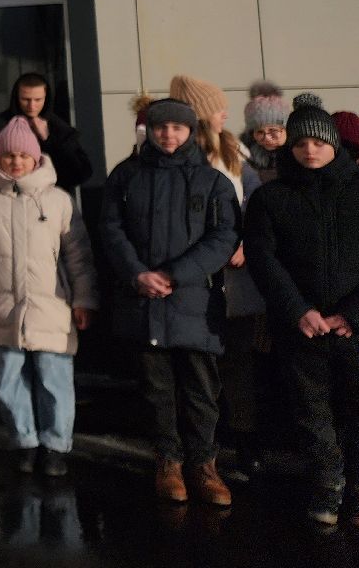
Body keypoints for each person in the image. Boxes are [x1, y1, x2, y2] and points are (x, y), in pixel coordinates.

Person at [94, 98, 241, 507]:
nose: (169, 135)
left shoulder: (213, 182)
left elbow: (225, 236)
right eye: (161, 128)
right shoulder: (126, 176)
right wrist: (137, 273)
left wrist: (177, 274)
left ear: (191, 131)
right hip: (142, 300)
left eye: (177, 128)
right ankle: (168, 462)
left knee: (200, 390)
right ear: (150, 131)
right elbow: (110, 228)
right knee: (156, 390)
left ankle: (204, 465)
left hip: (193, 302)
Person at [244, 93, 359, 527]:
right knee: (312, 413)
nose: (310, 149)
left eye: (319, 141)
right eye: (300, 142)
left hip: (354, 327)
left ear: (336, 145)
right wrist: (298, 310)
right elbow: (262, 258)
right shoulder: (271, 198)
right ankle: (327, 484)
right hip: (300, 327)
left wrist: (352, 313)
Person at [0, 119, 99, 476]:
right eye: (9, 155)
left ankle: (55, 445)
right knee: (9, 382)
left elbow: (78, 256)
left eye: (23, 155)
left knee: (55, 380)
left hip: (51, 307)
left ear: (36, 158)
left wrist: (84, 299)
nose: (16, 162)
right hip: (1, 306)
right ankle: (24, 441)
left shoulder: (58, 200)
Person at [169, 74, 266, 473]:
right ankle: (201, 447)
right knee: (198, 369)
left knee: (240, 365)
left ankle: (246, 442)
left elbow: (256, 205)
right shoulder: (178, 157)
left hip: (238, 280)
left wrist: (246, 244)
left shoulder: (235, 152)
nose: (225, 113)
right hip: (197, 282)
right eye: (216, 108)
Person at [0, 73, 95, 194]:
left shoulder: (58, 128)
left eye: (38, 100)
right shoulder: (0, 126)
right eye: (26, 99)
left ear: (46, 98)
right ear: (16, 97)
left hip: (50, 202)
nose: (32, 105)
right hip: (9, 200)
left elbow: (81, 172)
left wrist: (48, 140)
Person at [241, 80, 289, 185]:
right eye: (260, 132)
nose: (267, 138)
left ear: (286, 129)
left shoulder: (301, 155)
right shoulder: (244, 157)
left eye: (273, 131)